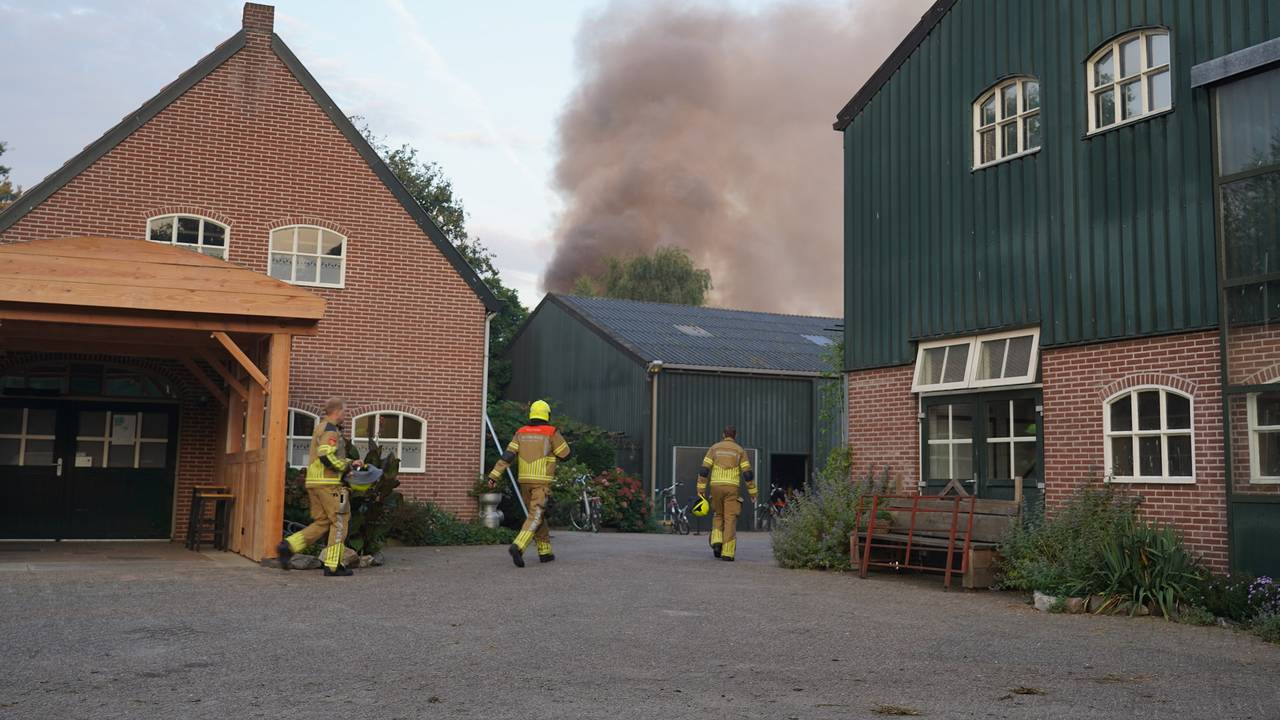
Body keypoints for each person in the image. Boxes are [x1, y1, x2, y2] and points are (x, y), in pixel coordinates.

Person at [276, 398, 362, 576]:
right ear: (337, 411)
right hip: (328, 484)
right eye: (345, 412)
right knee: (340, 521)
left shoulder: (321, 427)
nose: (345, 415)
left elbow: (326, 455)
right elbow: (326, 456)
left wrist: (351, 463)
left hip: (315, 482)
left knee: (323, 522)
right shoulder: (331, 430)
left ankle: (288, 546)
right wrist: (345, 468)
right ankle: (332, 566)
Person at [487, 400, 571, 567]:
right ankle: (518, 546)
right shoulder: (551, 432)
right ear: (547, 414)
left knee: (538, 515)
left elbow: (508, 456)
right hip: (542, 482)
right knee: (536, 515)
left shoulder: (521, 432)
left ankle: (545, 551)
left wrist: (493, 476)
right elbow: (565, 455)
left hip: (524, 481)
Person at [696, 426, 756, 561]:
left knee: (718, 514)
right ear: (735, 436)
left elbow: (704, 470)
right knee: (730, 518)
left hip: (715, 486)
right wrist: (753, 492)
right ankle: (727, 553)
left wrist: (700, 490)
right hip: (731, 487)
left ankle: (717, 542)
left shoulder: (714, 448)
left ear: (723, 435)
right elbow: (747, 474)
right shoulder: (740, 450)